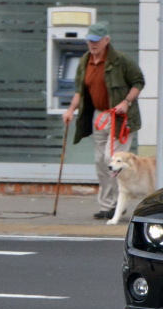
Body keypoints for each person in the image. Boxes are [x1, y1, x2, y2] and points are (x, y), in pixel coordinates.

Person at [62, 22, 145, 220]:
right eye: (90, 41)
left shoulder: (120, 60)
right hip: (99, 115)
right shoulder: (85, 61)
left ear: (106, 40)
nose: (92, 44)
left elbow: (138, 82)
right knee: (100, 161)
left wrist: (126, 102)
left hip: (120, 117)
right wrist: (70, 110)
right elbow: (79, 91)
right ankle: (107, 204)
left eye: (96, 41)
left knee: (113, 160)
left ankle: (118, 204)